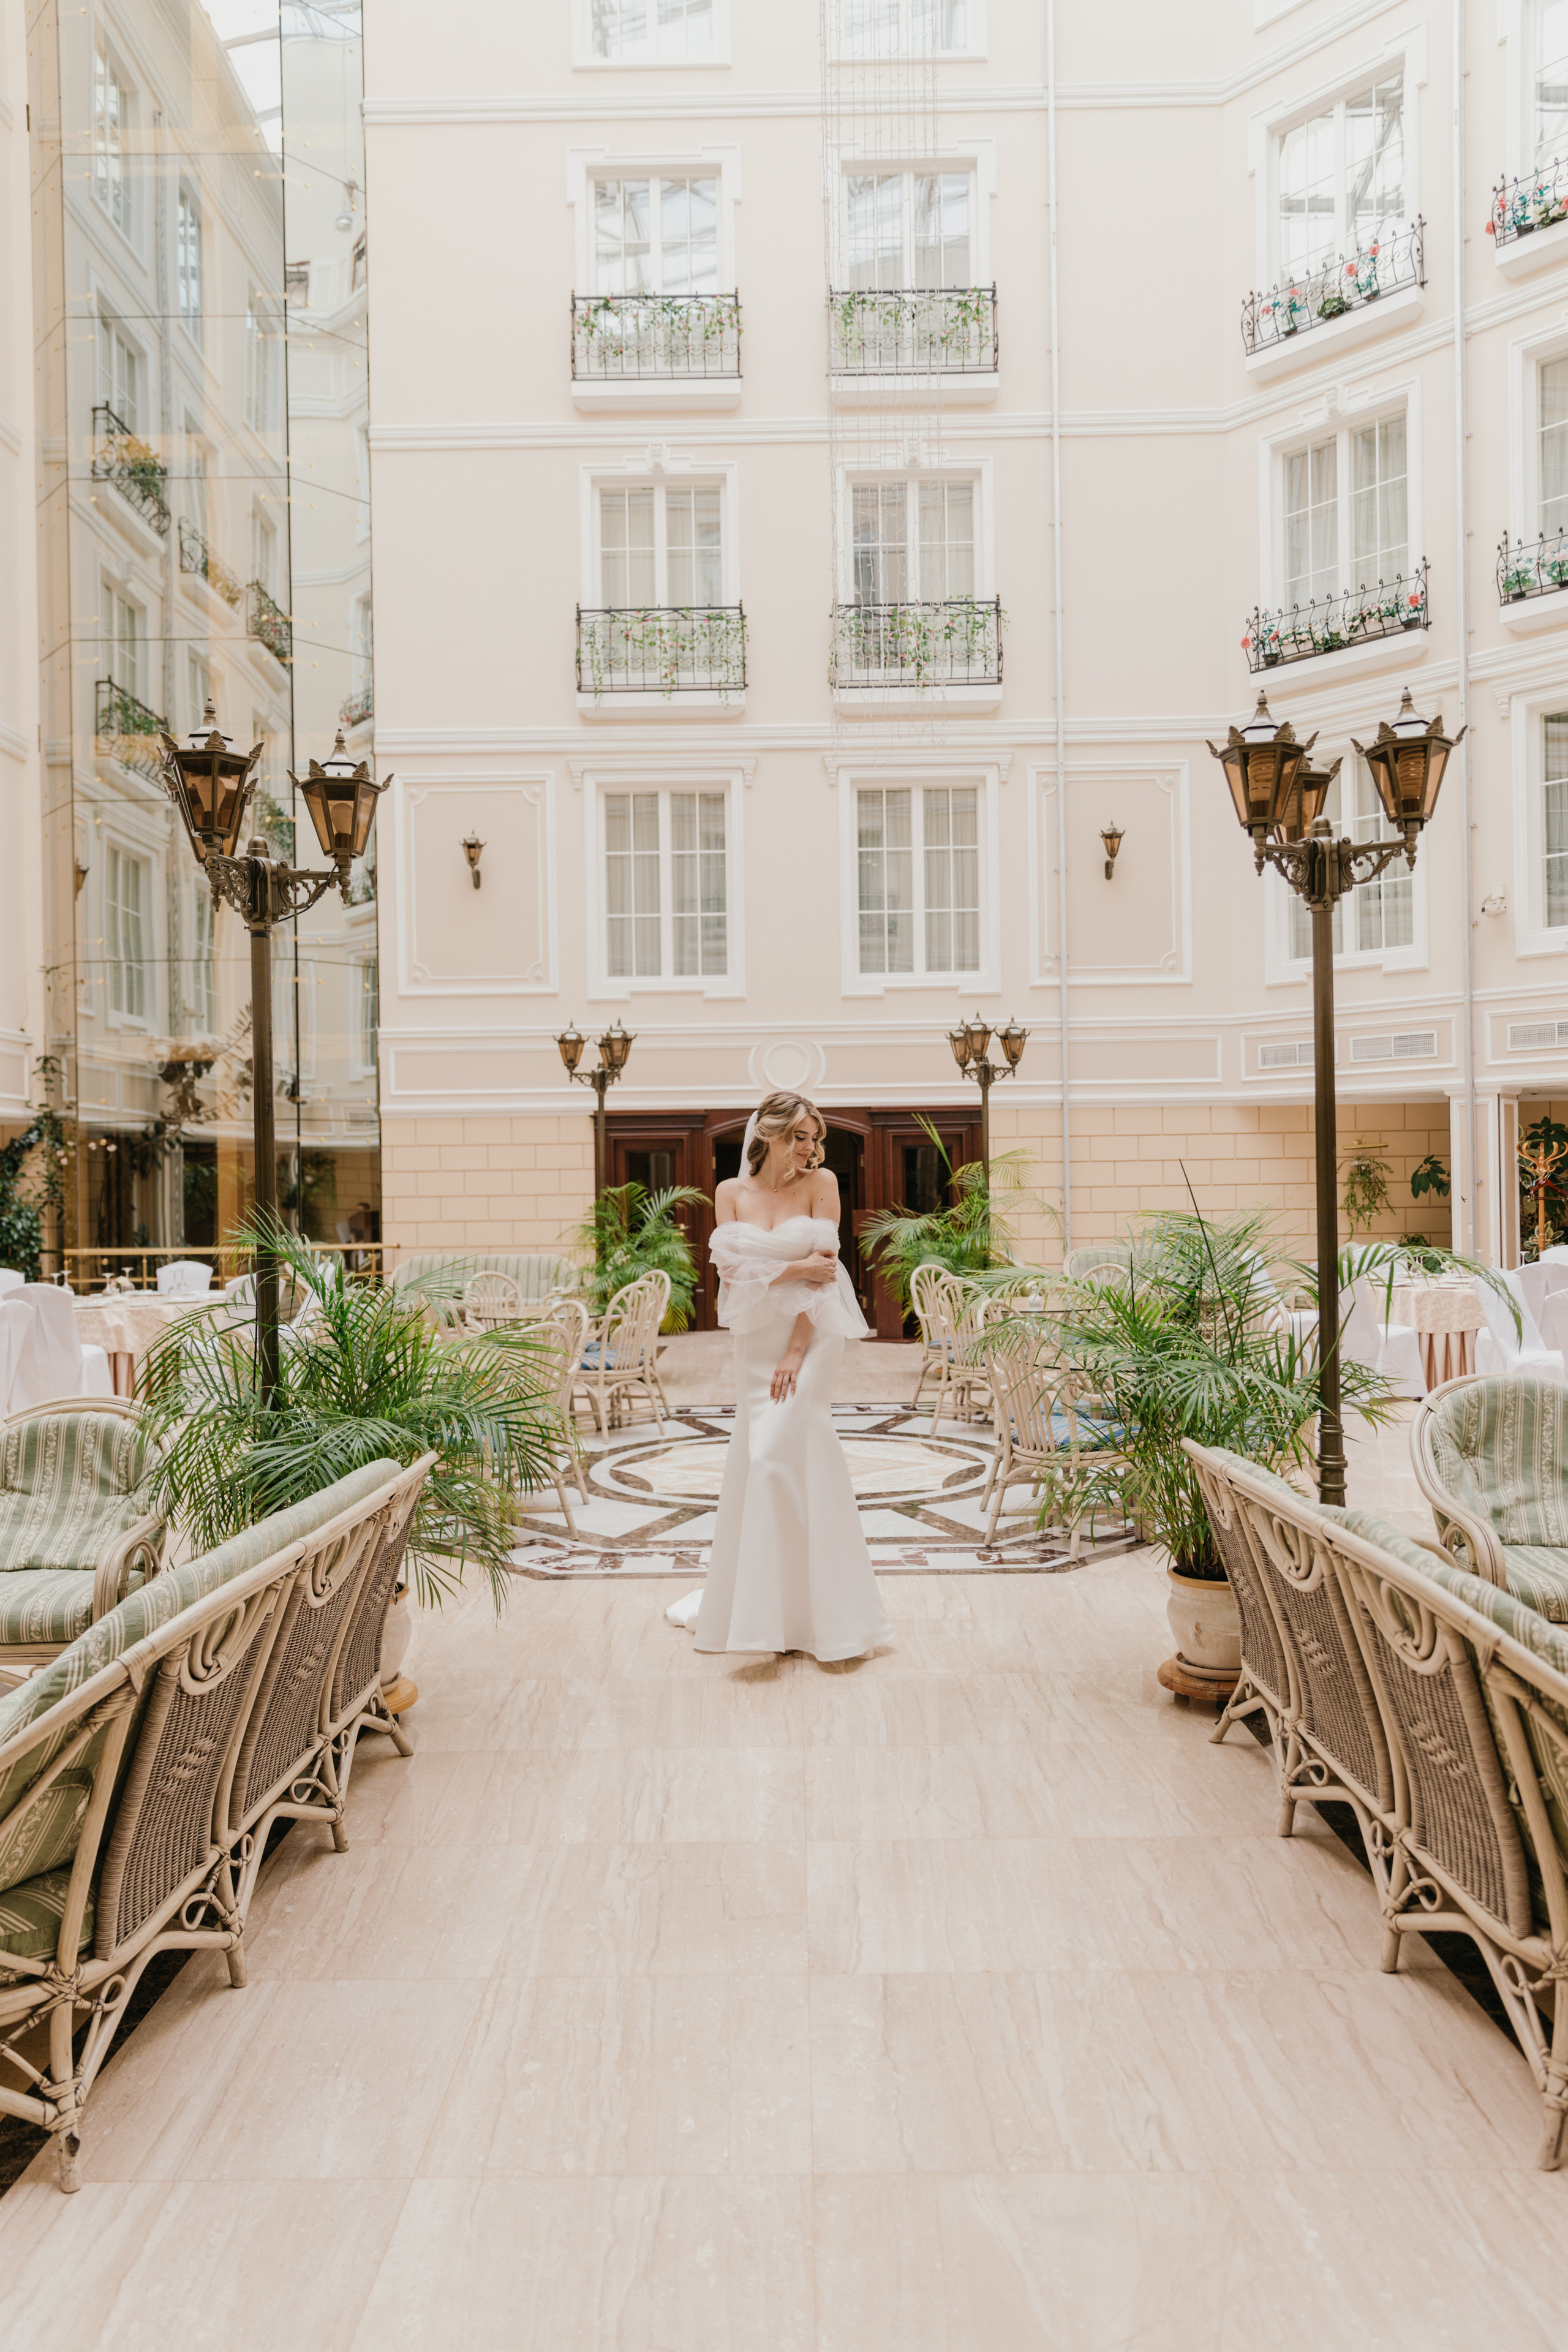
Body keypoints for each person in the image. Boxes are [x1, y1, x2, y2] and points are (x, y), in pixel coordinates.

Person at [666, 1091, 891, 1661]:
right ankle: (773, 1614)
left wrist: (795, 1351)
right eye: (800, 1136)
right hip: (753, 1343)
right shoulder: (730, 1193)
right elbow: (732, 1270)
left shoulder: (823, 1186)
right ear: (767, 1134)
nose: (811, 1147)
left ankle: (825, 1617)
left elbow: (824, 1279)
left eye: (816, 1137)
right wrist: (790, 1266)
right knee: (762, 1460)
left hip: (807, 1339)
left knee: (783, 1454)